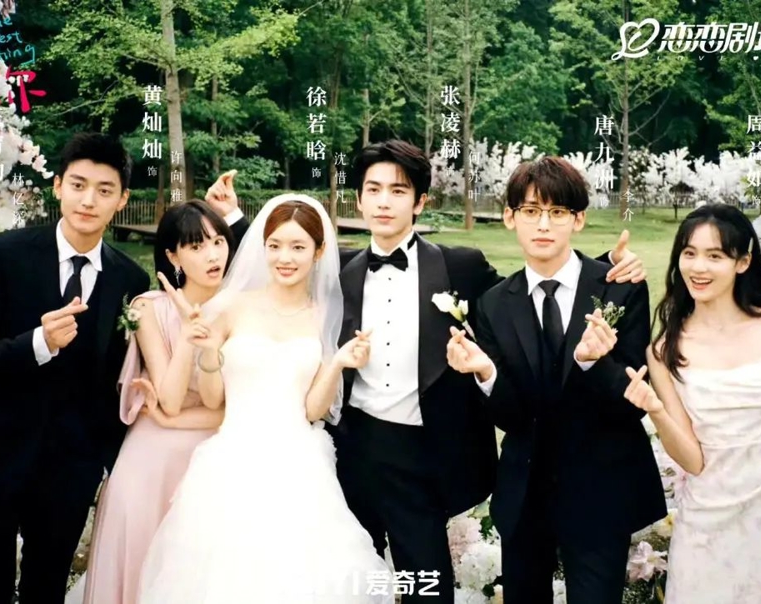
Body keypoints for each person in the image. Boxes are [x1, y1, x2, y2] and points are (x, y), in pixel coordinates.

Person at [204, 141, 647, 602]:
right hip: (351, 450)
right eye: (373, 190)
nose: (384, 201)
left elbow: (532, 291)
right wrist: (235, 220)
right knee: (343, 582)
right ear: (359, 200)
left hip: (421, 453)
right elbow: (288, 255)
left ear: (420, 202)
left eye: (398, 191)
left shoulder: (461, 267)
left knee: (428, 588)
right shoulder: (341, 272)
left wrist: (607, 268)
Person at [0, 133, 150, 603]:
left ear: (122, 200)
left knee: (46, 592)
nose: (88, 200)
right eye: (78, 185)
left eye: (104, 190)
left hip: (68, 470)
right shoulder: (0, 254)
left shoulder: (130, 278)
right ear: (58, 186)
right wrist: (37, 344)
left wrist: (102, 458)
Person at [137, 194, 394, 603]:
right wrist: (208, 352)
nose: (284, 258)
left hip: (299, 464)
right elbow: (213, 398)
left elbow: (312, 410)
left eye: (297, 247)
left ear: (318, 252)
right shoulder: (232, 307)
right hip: (232, 462)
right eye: (274, 246)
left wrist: (337, 364)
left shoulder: (324, 315)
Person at [446, 156, 666, 604]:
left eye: (557, 212)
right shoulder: (493, 304)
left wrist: (591, 362)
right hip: (525, 496)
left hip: (600, 491)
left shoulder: (618, 287)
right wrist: (486, 373)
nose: (543, 224)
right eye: (530, 211)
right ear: (510, 217)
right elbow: (512, 416)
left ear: (578, 219)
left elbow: (631, 401)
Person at [622, 204, 761, 603]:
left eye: (715, 255)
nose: (698, 267)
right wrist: (655, 409)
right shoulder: (664, 350)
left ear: (743, 262)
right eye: (689, 253)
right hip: (705, 524)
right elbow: (693, 461)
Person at [80, 200, 235, 604]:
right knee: (141, 571)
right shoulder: (149, 307)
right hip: (151, 460)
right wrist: (187, 334)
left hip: (215, 456)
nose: (213, 255)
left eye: (218, 242)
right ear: (173, 256)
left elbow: (236, 406)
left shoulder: (241, 309)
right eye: (197, 246)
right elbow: (168, 399)